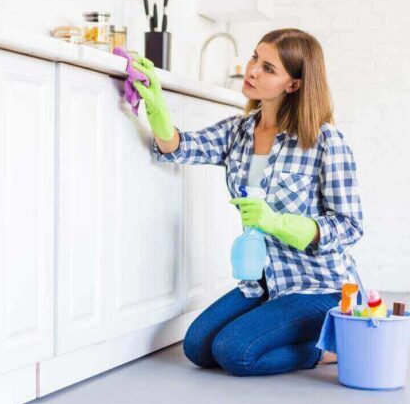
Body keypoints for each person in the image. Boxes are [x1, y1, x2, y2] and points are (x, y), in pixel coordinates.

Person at [132, 28, 363, 377]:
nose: (252, 70)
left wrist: (279, 223)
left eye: (269, 68)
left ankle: (332, 348)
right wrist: (156, 106)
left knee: (234, 351)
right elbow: (181, 147)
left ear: (294, 85)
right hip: (264, 282)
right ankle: (291, 331)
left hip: (320, 287)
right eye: (255, 58)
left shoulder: (325, 140)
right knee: (197, 346)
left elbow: (350, 225)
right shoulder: (239, 131)